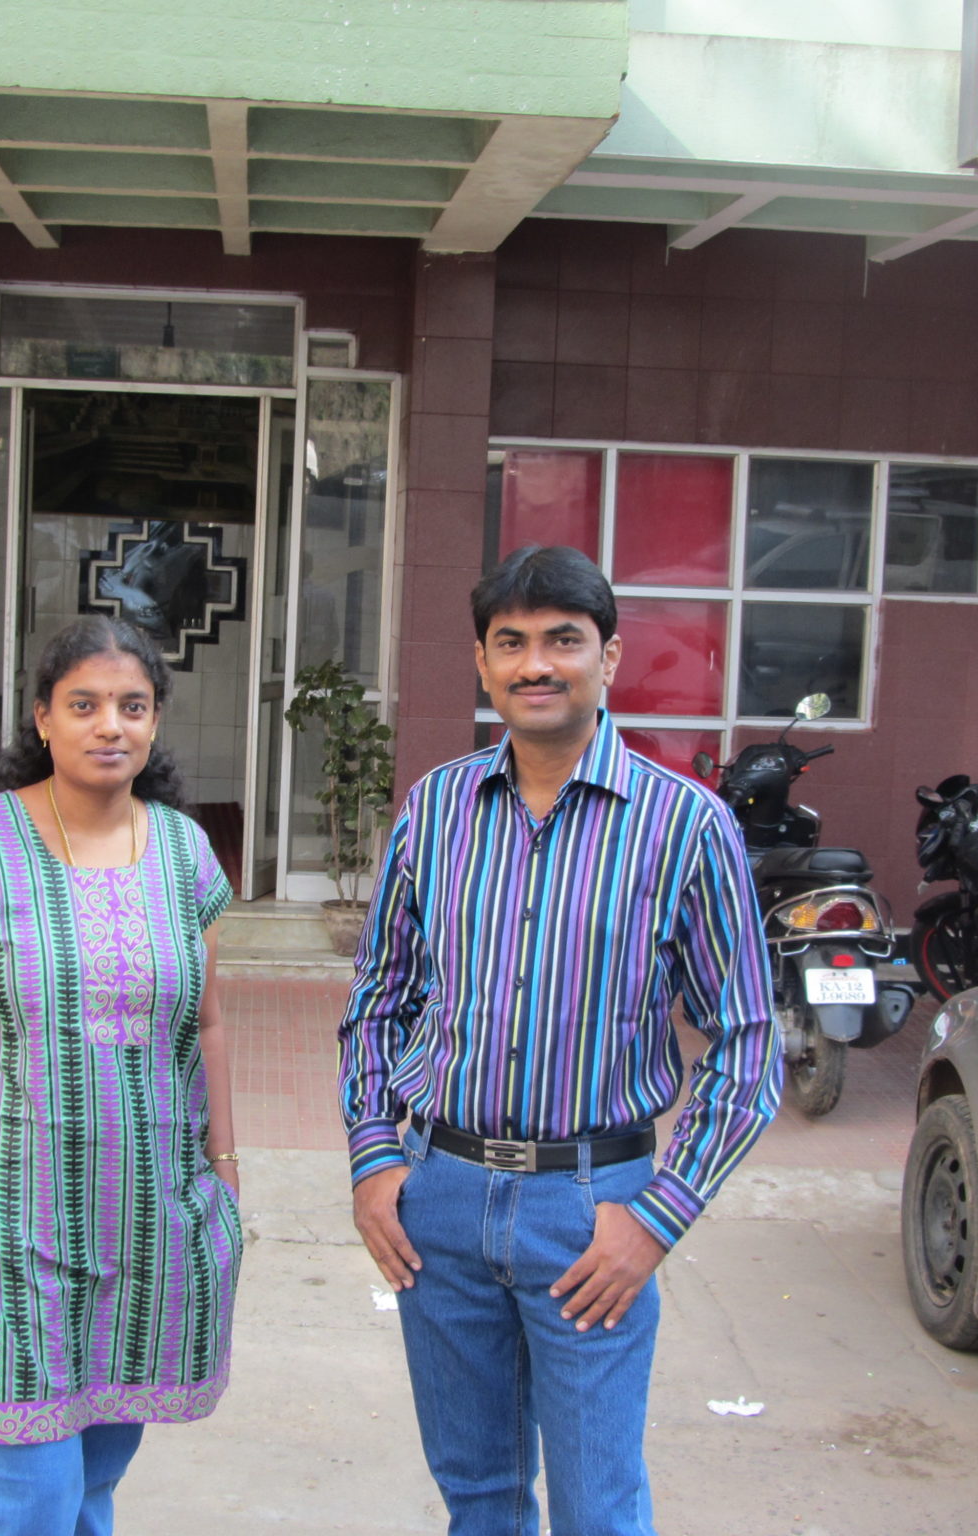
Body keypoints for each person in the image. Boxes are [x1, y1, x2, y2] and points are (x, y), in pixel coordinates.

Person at [338, 544, 782, 1536]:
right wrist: (373, 1159)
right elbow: (378, 998)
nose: (535, 665)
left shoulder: (685, 826)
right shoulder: (436, 810)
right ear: (482, 661)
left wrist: (656, 1218)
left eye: (562, 641)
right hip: (440, 1204)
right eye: (511, 643)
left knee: (597, 1509)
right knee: (477, 1498)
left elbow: (749, 1047)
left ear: (608, 657)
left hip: (590, 1213)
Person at [0, 614, 241, 1536]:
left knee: (91, 1486)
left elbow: (206, 1022)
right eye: (84, 705)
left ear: (155, 722)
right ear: (43, 718)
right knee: (30, 1495)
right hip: (7, 1226)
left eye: (132, 706)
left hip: (149, 1226)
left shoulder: (185, 853)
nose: (109, 725)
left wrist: (226, 1180)